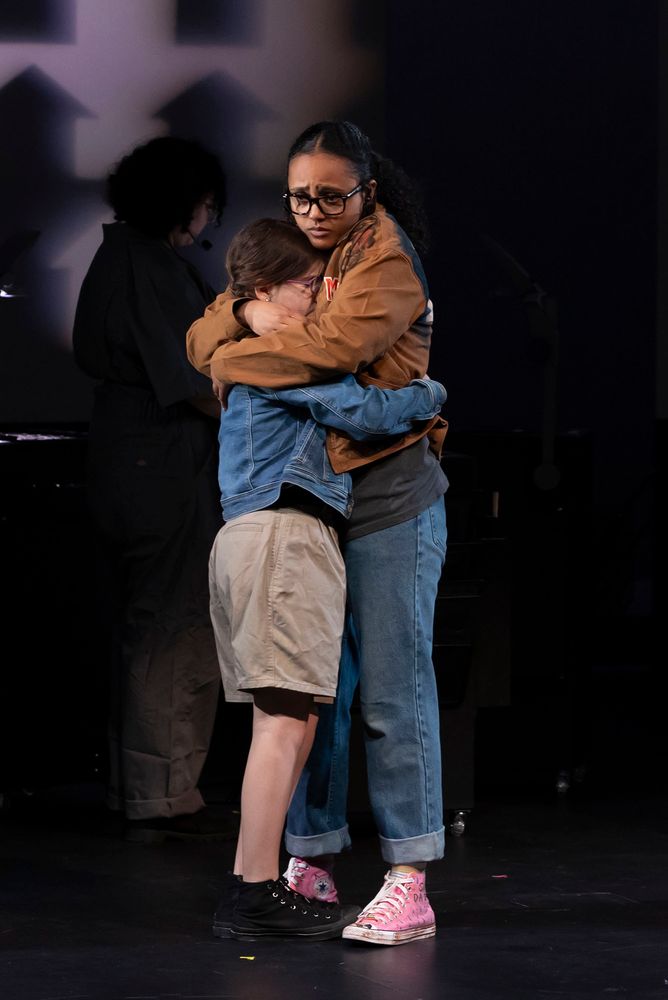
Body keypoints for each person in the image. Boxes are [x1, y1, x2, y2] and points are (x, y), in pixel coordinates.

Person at [187, 120, 449, 946]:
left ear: (366, 190)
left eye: (330, 195)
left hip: (389, 500)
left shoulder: (387, 261)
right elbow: (199, 336)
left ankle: (409, 876)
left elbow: (330, 354)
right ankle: (310, 855)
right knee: (314, 696)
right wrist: (240, 312)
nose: (311, 210)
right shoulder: (296, 255)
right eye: (300, 193)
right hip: (319, 503)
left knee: (390, 692)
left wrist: (242, 347)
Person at [72, 135, 231, 843]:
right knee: (170, 620)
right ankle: (160, 790)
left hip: (129, 453)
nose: (207, 218)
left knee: (147, 621)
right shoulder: (148, 265)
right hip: (159, 460)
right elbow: (195, 381)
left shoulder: (124, 257)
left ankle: (142, 783)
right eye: (204, 204)